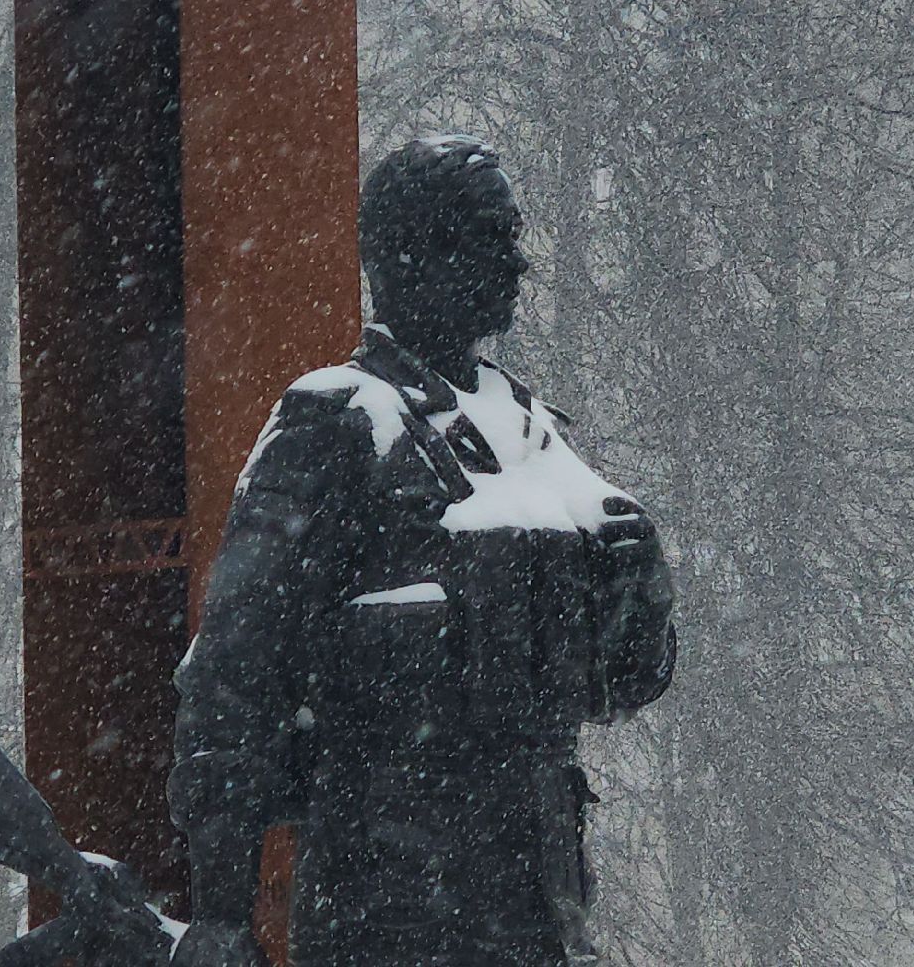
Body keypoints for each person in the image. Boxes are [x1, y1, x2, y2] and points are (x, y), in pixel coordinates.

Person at [167, 135, 677, 967]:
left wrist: (638, 591)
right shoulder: (335, 426)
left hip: (540, 910)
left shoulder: (539, 443)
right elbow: (232, 681)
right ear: (413, 255)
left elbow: (619, 684)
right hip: (387, 911)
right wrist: (222, 912)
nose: (518, 264)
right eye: (491, 237)